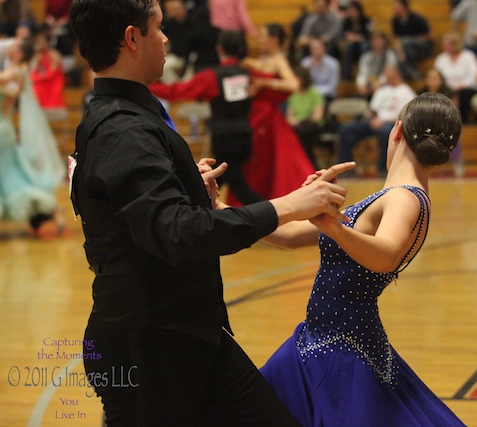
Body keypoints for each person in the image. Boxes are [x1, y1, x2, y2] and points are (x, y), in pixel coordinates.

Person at [69, 1, 355, 424]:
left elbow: (122, 207)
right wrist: (288, 206)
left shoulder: (117, 116)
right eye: (158, 28)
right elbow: (180, 234)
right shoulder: (123, 129)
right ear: (132, 38)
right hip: (149, 346)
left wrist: (183, 184)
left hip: (185, 333)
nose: (166, 39)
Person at [258, 92, 467, 427]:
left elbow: (384, 256)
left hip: (340, 348)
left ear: (396, 131)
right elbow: (292, 237)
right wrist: (220, 212)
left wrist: (332, 225)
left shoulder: (406, 197)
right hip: (325, 338)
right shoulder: (394, 196)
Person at [151, 30, 265, 205]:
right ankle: (198, 207)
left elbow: (178, 91)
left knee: (237, 187)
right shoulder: (250, 74)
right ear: (241, 49)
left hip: (224, 139)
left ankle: (270, 218)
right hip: (246, 138)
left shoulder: (213, 77)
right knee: (221, 180)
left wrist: (147, 86)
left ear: (219, 49)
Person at [239, 23, 316, 204]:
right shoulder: (266, 59)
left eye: (263, 35)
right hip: (257, 115)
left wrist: (265, 83)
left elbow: (293, 85)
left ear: (273, 40)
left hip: (268, 118)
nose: (259, 39)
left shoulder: (278, 59)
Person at [0, 38, 66, 238]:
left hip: (1, 129)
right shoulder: (13, 71)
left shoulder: (15, 72)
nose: (10, 48)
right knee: (12, 176)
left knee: (10, 179)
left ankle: (51, 211)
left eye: (14, 47)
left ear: (20, 53)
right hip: (5, 128)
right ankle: (51, 213)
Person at [338, 63, 416, 178]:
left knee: (386, 133)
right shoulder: (382, 91)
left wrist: (384, 121)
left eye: (389, 74)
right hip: (375, 122)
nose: (387, 77)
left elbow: (407, 115)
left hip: (392, 124)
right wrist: (373, 118)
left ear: (397, 74)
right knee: (346, 129)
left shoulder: (406, 92)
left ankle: (383, 169)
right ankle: (346, 168)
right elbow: (372, 109)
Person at [435, 32, 477, 123]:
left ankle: (461, 121)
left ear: (455, 44)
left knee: (461, 94)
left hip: (466, 88)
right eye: (444, 44)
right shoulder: (440, 59)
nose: (445, 46)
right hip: (447, 88)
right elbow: (437, 75)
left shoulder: (468, 56)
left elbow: (475, 76)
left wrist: (461, 84)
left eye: (448, 44)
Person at [287, 66, 326, 168]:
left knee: (303, 132)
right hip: (297, 125)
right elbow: (289, 116)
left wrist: (301, 120)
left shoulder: (314, 93)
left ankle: (308, 163)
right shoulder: (293, 94)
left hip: (311, 124)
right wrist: (294, 121)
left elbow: (317, 116)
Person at [391, 0, 434, 81]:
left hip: (424, 47)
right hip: (409, 49)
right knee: (397, 53)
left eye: (396, 7)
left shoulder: (416, 18)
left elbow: (430, 36)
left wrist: (413, 40)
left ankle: (411, 72)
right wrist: (400, 52)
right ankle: (412, 73)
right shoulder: (395, 20)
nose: (394, 9)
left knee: (406, 41)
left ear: (404, 7)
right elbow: (396, 38)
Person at [30, 23, 67, 110]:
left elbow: (52, 72)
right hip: (41, 80)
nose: (40, 44)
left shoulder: (54, 54)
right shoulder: (37, 56)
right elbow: (34, 70)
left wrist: (41, 77)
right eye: (38, 42)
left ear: (47, 43)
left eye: (42, 42)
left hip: (52, 81)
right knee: (36, 87)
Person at [355, 29, 398, 99]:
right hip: (370, 87)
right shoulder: (366, 57)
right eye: (374, 40)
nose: (376, 43)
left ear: (384, 41)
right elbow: (363, 73)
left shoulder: (390, 55)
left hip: (386, 86)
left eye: (379, 40)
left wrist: (379, 83)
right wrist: (361, 85)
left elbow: (390, 73)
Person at [159, 0, 193, 83]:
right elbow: (161, 34)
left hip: (191, 56)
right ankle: (175, 86)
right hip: (176, 55)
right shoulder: (170, 23)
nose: (176, 12)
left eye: (178, 9)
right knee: (162, 66)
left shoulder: (193, 23)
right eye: (174, 9)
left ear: (184, 8)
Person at [300, 37, 340, 105]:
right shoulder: (305, 63)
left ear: (324, 49)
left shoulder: (333, 64)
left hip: (327, 95)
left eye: (318, 49)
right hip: (309, 94)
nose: (316, 52)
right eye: (313, 49)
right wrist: (308, 69)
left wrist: (316, 92)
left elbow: (333, 85)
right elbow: (303, 83)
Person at [340, 0, 371, 80]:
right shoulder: (346, 21)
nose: (352, 13)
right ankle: (347, 75)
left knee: (364, 46)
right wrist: (352, 38)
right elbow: (345, 35)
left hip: (363, 45)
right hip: (352, 45)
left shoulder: (365, 20)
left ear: (359, 11)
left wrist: (356, 38)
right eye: (350, 11)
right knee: (349, 47)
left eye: (354, 11)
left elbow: (367, 35)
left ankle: (363, 72)